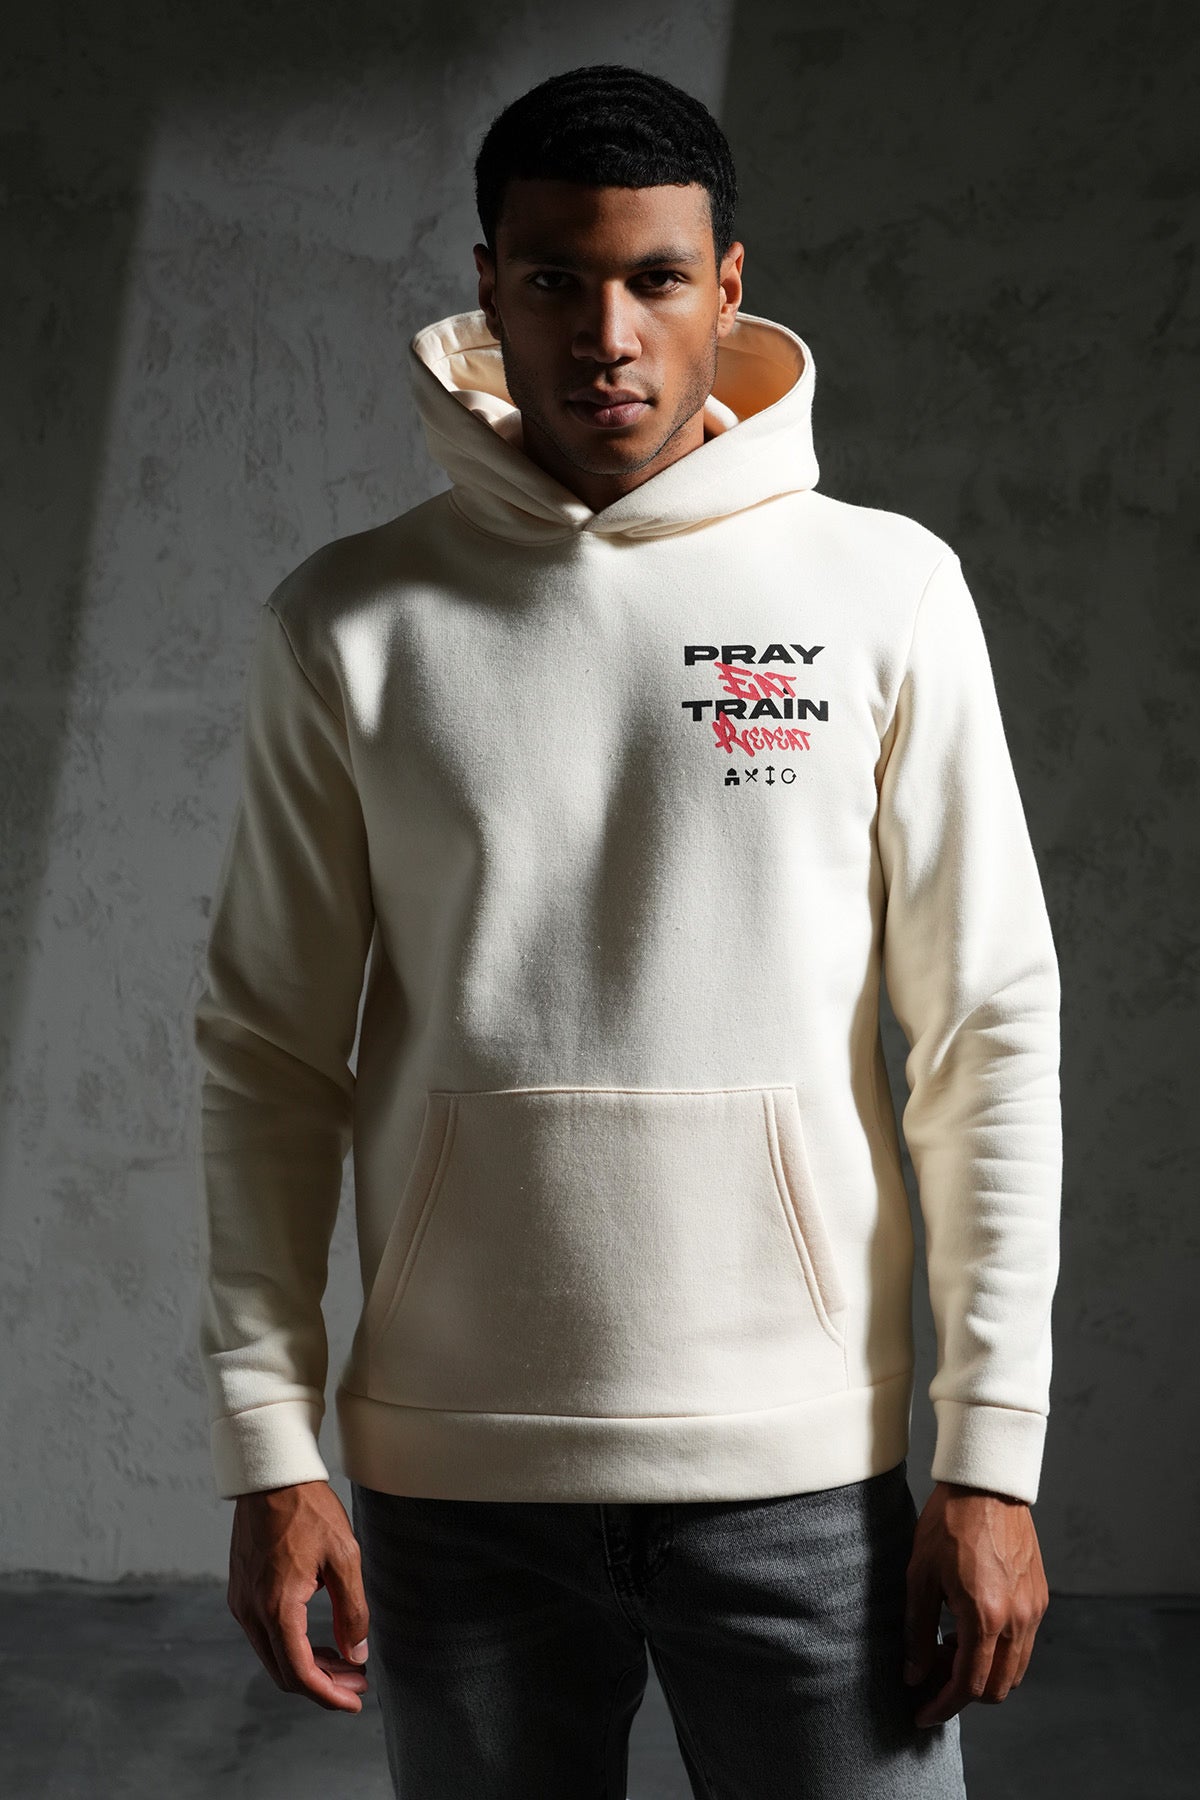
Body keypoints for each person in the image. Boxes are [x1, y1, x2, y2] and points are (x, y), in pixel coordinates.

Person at [194, 60, 1061, 1799]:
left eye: (656, 278)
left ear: (727, 287)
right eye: (554, 279)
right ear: (488, 289)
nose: (607, 334)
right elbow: (270, 1053)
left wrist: (992, 1457)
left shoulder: (884, 591)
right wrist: (269, 1446)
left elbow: (988, 1031)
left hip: (802, 1478)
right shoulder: (352, 620)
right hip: (460, 1483)